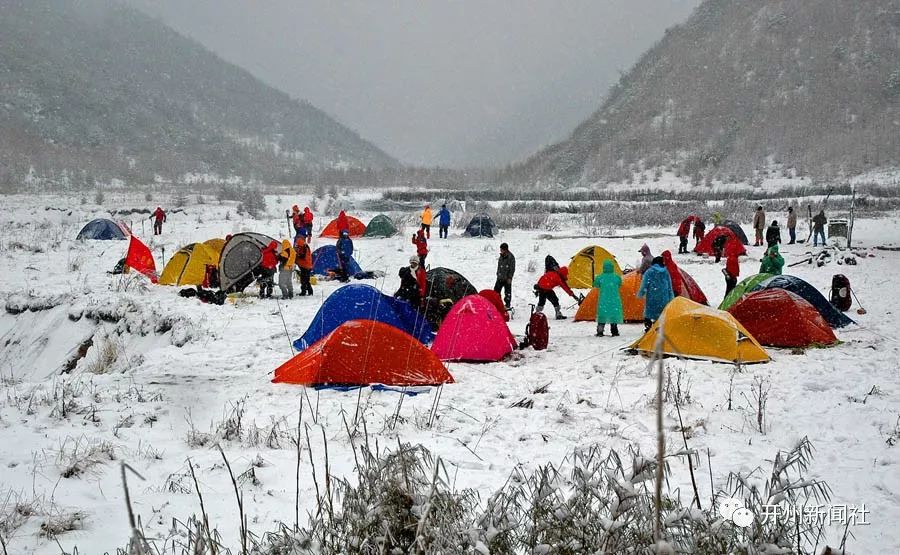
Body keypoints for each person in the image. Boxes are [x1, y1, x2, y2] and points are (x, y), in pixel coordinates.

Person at [637, 256, 674, 331]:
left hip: (652, 296)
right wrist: (671, 296)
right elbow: (669, 285)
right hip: (664, 296)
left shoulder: (649, 271)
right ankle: (658, 326)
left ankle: (649, 327)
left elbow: (645, 284)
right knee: (661, 313)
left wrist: (641, 293)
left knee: (649, 313)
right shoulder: (666, 272)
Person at [593, 259, 623, 337]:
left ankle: (600, 331)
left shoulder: (600, 277)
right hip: (614, 299)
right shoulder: (617, 277)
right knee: (613, 315)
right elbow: (620, 284)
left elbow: (595, 284)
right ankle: (614, 331)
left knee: (602, 315)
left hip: (603, 299)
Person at [494, 243, 515, 309]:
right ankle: (498, 303)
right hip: (500, 277)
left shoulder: (511, 257)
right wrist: (498, 273)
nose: (500, 251)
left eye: (502, 249)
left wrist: (510, 278)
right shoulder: (501, 256)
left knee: (507, 292)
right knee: (496, 291)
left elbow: (512, 268)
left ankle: (507, 305)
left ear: (505, 250)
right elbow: (499, 266)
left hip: (507, 279)